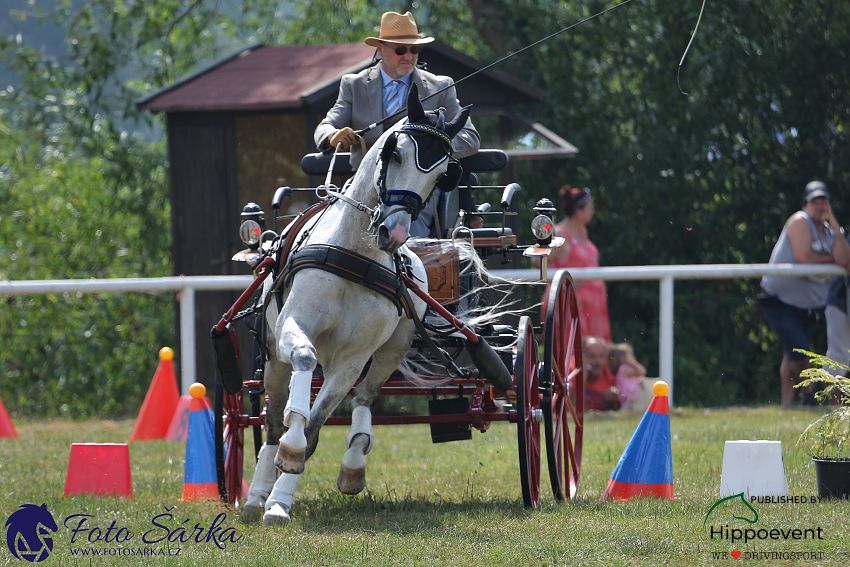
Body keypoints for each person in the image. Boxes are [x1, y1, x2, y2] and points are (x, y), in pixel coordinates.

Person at [313, 11, 482, 237]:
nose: (409, 56)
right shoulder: (354, 85)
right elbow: (325, 126)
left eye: (414, 50)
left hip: (418, 186)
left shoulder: (440, 86)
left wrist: (433, 146)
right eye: (401, 50)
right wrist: (332, 136)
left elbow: (470, 138)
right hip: (365, 186)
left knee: (410, 237)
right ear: (380, 50)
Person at [759, 181, 850, 406]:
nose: (820, 206)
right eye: (815, 202)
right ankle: (809, 396)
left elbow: (845, 259)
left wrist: (836, 227)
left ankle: (788, 405)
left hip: (809, 304)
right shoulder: (799, 220)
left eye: (824, 201)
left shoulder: (832, 231)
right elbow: (805, 257)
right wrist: (832, 261)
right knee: (799, 352)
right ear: (805, 205)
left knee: (790, 355)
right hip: (779, 299)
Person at [547, 185, 612, 342]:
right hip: (572, 305)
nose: (593, 212)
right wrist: (561, 282)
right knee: (574, 352)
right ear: (578, 211)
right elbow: (537, 260)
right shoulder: (561, 233)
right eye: (590, 208)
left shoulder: (583, 231)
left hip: (593, 305)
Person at [583, 336, 620, 411]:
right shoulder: (571, 371)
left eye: (601, 356)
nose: (598, 361)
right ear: (582, 357)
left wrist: (610, 402)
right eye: (592, 356)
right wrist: (583, 375)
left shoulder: (608, 373)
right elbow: (570, 408)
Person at [608, 343, 647, 411]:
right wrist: (633, 363)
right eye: (631, 356)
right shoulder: (624, 369)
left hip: (628, 398)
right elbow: (642, 371)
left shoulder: (623, 369)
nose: (633, 358)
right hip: (630, 398)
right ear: (622, 358)